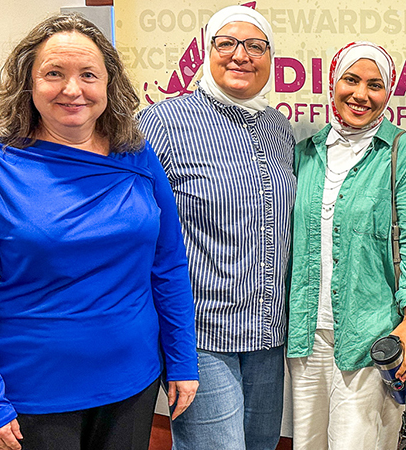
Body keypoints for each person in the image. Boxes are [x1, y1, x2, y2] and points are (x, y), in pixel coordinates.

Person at [0, 13, 198, 450]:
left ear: (108, 85)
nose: (72, 89)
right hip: (34, 391)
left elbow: (168, 264)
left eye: (88, 75)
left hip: (133, 380)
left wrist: (181, 359)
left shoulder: (137, 156)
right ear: (28, 83)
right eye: (54, 73)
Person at [135, 6, 293, 450]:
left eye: (256, 46)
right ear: (208, 52)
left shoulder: (277, 127)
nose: (241, 55)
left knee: (261, 444)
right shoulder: (164, 122)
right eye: (227, 44)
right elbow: (131, 225)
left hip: (267, 332)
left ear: (270, 59)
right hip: (202, 332)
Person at [285, 41, 406, 449]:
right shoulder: (306, 153)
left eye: (375, 85)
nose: (361, 95)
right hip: (306, 333)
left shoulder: (403, 153)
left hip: (371, 334)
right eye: (351, 80)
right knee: (308, 443)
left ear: (388, 93)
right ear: (332, 82)